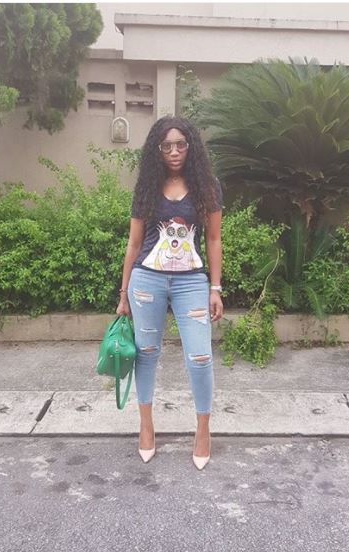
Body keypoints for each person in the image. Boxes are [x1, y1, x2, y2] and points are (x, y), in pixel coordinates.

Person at [116, 115, 223, 470]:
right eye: (167, 146)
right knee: (146, 353)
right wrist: (123, 294)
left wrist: (215, 288)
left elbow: (213, 239)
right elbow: (134, 244)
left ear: (190, 147)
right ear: (157, 150)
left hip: (191, 281)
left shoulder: (207, 186)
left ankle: (203, 430)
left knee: (200, 357)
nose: (174, 151)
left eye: (180, 144)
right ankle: (146, 426)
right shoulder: (147, 186)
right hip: (147, 281)